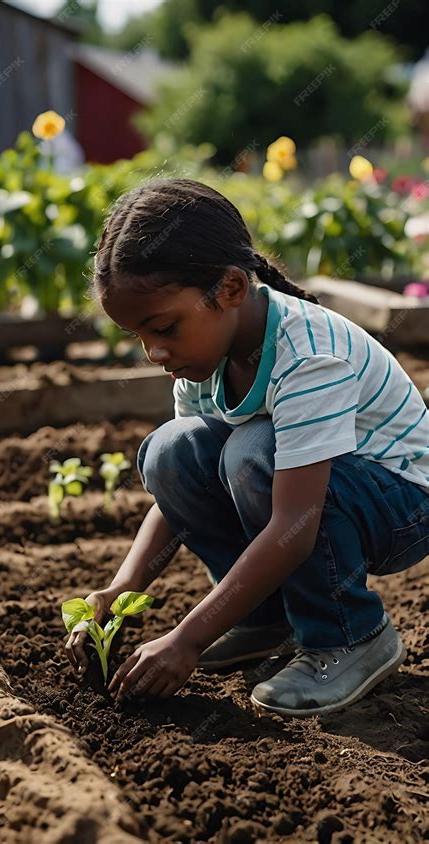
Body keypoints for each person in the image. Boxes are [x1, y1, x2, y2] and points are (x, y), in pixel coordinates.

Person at [65, 178, 429, 716]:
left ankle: (349, 635)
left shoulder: (308, 357)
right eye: (139, 335)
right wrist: (120, 589)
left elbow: (294, 524)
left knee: (253, 451)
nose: (153, 352)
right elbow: (175, 499)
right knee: (173, 451)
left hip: (401, 503)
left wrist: (187, 639)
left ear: (231, 289)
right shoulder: (202, 356)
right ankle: (262, 619)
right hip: (317, 493)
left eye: (163, 327)